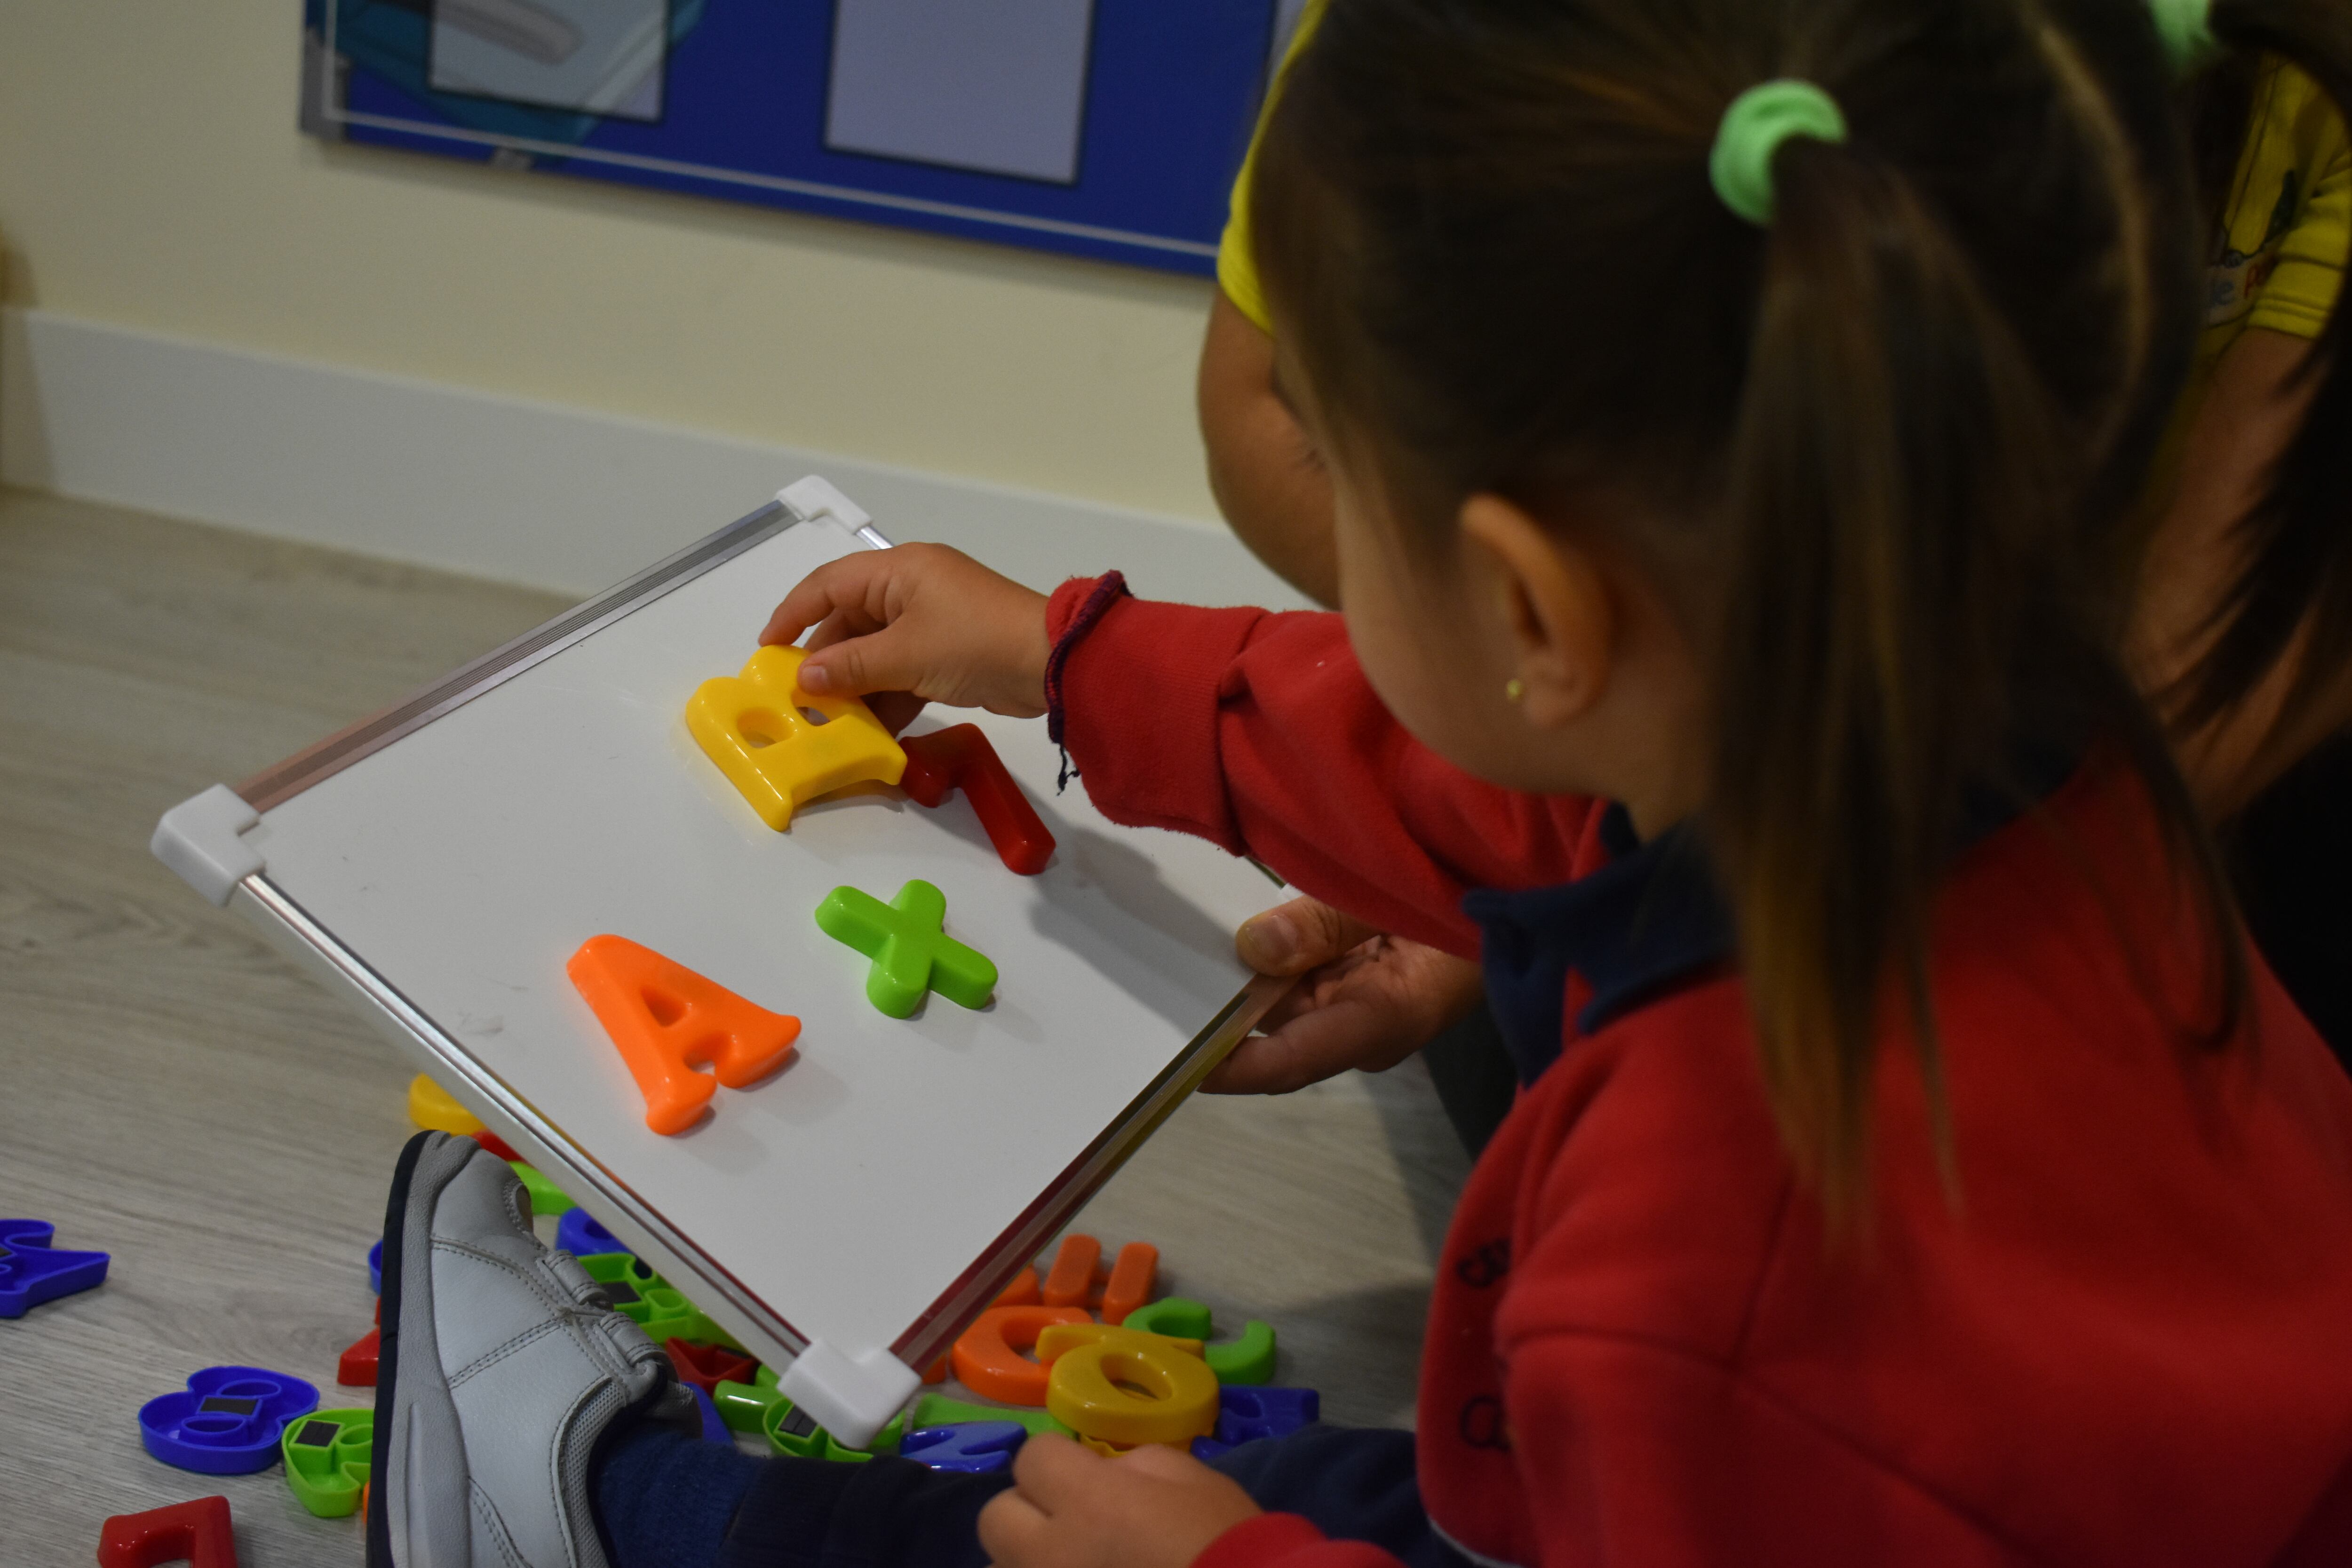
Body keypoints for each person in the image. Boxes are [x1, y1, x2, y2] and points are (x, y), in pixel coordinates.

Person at [366, 0, 2352, 1564]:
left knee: (1024, 1537)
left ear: (1531, 606)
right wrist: (1064, 654)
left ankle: (587, 1510)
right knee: (1240, 1486)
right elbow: (1511, 797)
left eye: (1336, 450)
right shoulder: (2022, 770)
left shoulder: (1703, 1274)